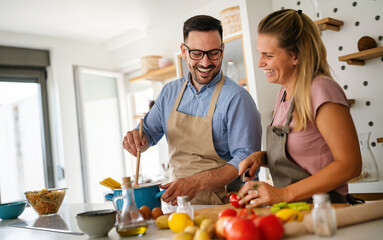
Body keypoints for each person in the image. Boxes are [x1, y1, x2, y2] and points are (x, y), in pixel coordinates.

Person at [123, 15, 262, 205]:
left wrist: (197, 182)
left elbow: (246, 160)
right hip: (178, 205)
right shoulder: (169, 93)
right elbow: (148, 132)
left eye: (213, 53)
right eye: (196, 53)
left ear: (222, 49)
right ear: (183, 50)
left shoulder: (237, 98)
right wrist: (138, 137)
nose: (205, 63)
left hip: (224, 206)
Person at [237, 9, 362, 207]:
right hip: (296, 209)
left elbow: (351, 165)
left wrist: (284, 193)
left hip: (325, 209)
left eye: (268, 55)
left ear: (295, 56)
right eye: (260, 54)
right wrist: (260, 158)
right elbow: (305, 154)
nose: (260, 63)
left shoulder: (322, 89)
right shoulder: (284, 93)